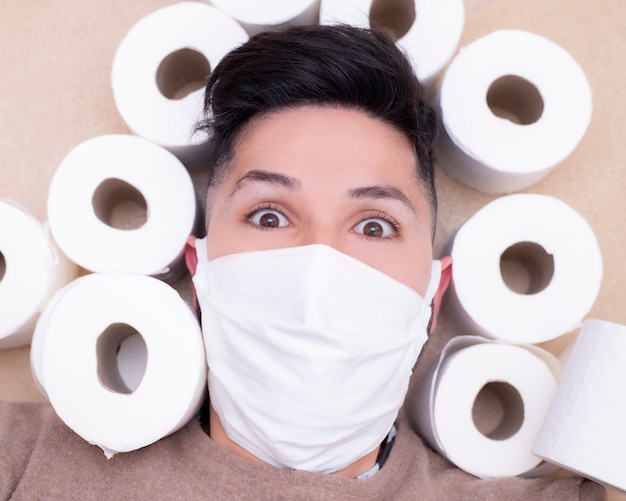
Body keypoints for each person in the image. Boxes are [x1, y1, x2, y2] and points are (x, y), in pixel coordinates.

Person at [1, 25, 605, 500]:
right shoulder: (20, 460)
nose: (321, 267)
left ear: (432, 297)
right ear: (199, 277)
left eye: (374, 225)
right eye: (269, 215)